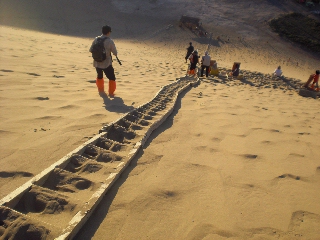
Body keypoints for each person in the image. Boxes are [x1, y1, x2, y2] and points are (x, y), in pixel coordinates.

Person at [89, 25, 118, 97]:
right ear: (108, 32)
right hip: (106, 63)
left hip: (96, 62)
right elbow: (115, 53)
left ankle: (100, 90)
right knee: (112, 77)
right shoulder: (109, 41)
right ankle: (111, 93)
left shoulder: (96, 39)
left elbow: (90, 50)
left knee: (99, 76)